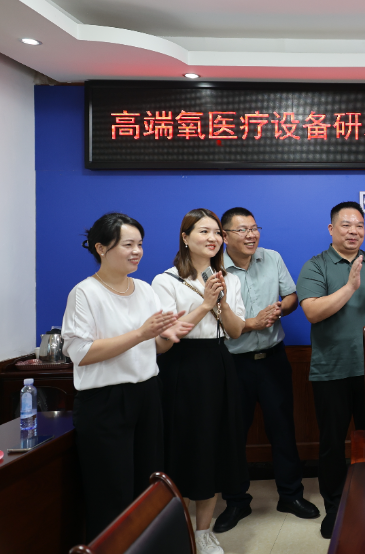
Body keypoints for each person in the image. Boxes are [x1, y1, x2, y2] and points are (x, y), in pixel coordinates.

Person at [62, 213, 192, 540]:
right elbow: (81, 352)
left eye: (140, 245)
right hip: (105, 403)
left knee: (148, 488)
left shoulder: (145, 290)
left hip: (147, 394)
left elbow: (156, 347)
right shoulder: (85, 293)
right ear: (101, 248)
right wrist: (140, 333)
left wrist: (168, 336)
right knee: (111, 493)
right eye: (128, 245)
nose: (137, 252)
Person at [297, 201, 365, 539]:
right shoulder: (316, 265)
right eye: (346, 225)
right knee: (332, 443)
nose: (354, 231)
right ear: (331, 229)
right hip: (332, 369)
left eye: (359, 225)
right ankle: (335, 506)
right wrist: (350, 287)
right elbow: (312, 312)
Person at [213, 208, 320, 534]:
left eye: (254, 228)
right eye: (242, 230)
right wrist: (252, 323)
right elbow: (211, 317)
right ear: (225, 236)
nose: (251, 235)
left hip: (273, 358)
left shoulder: (271, 258)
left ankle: (291, 495)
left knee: (283, 429)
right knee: (233, 434)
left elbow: (292, 296)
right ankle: (236, 501)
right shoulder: (213, 269)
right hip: (233, 363)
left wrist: (281, 309)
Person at [152, 208, 248, 554]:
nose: (213, 238)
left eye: (217, 232)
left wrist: (220, 302)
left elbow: (236, 332)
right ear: (185, 237)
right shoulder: (165, 281)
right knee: (182, 448)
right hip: (181, 367)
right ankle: (177, 532)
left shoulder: (228, 279)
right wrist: (205, 304)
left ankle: (203, 532)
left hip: (218, 363)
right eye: (204, 231)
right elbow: (165, 341)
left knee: (214, 447)